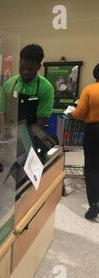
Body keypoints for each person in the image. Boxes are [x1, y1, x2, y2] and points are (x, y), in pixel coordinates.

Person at [0, 44, 55, 173]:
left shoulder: (46, 88)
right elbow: (3, 115)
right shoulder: (9, 85)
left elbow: (40, 123)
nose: (25, 72)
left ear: (38, 67)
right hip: (12, 135)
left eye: (30, 69)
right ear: (19, 63)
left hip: (34, 135)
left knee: (29, 175)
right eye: (23, 67)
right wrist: (5, 137)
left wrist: (25, 144)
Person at [67, 63, 99, 220]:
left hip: (94, 131)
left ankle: (94, 203)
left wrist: (72, 113)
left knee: (92, 167)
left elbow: (79, 113)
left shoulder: (90, 89)